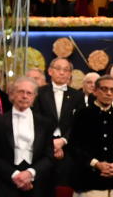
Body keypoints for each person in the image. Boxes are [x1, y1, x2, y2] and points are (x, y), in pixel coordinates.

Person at [36, 57, 84, 187]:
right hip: (42, 148)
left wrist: (63, 141)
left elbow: (79, 123)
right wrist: (51, 143)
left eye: (66, 70)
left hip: (68, 148)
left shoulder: (78, 95)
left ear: (70, 74)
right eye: (58, 69)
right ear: (50, 71)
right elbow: (36, 120)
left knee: (64, 188)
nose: (62, 73)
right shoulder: (39, 93)